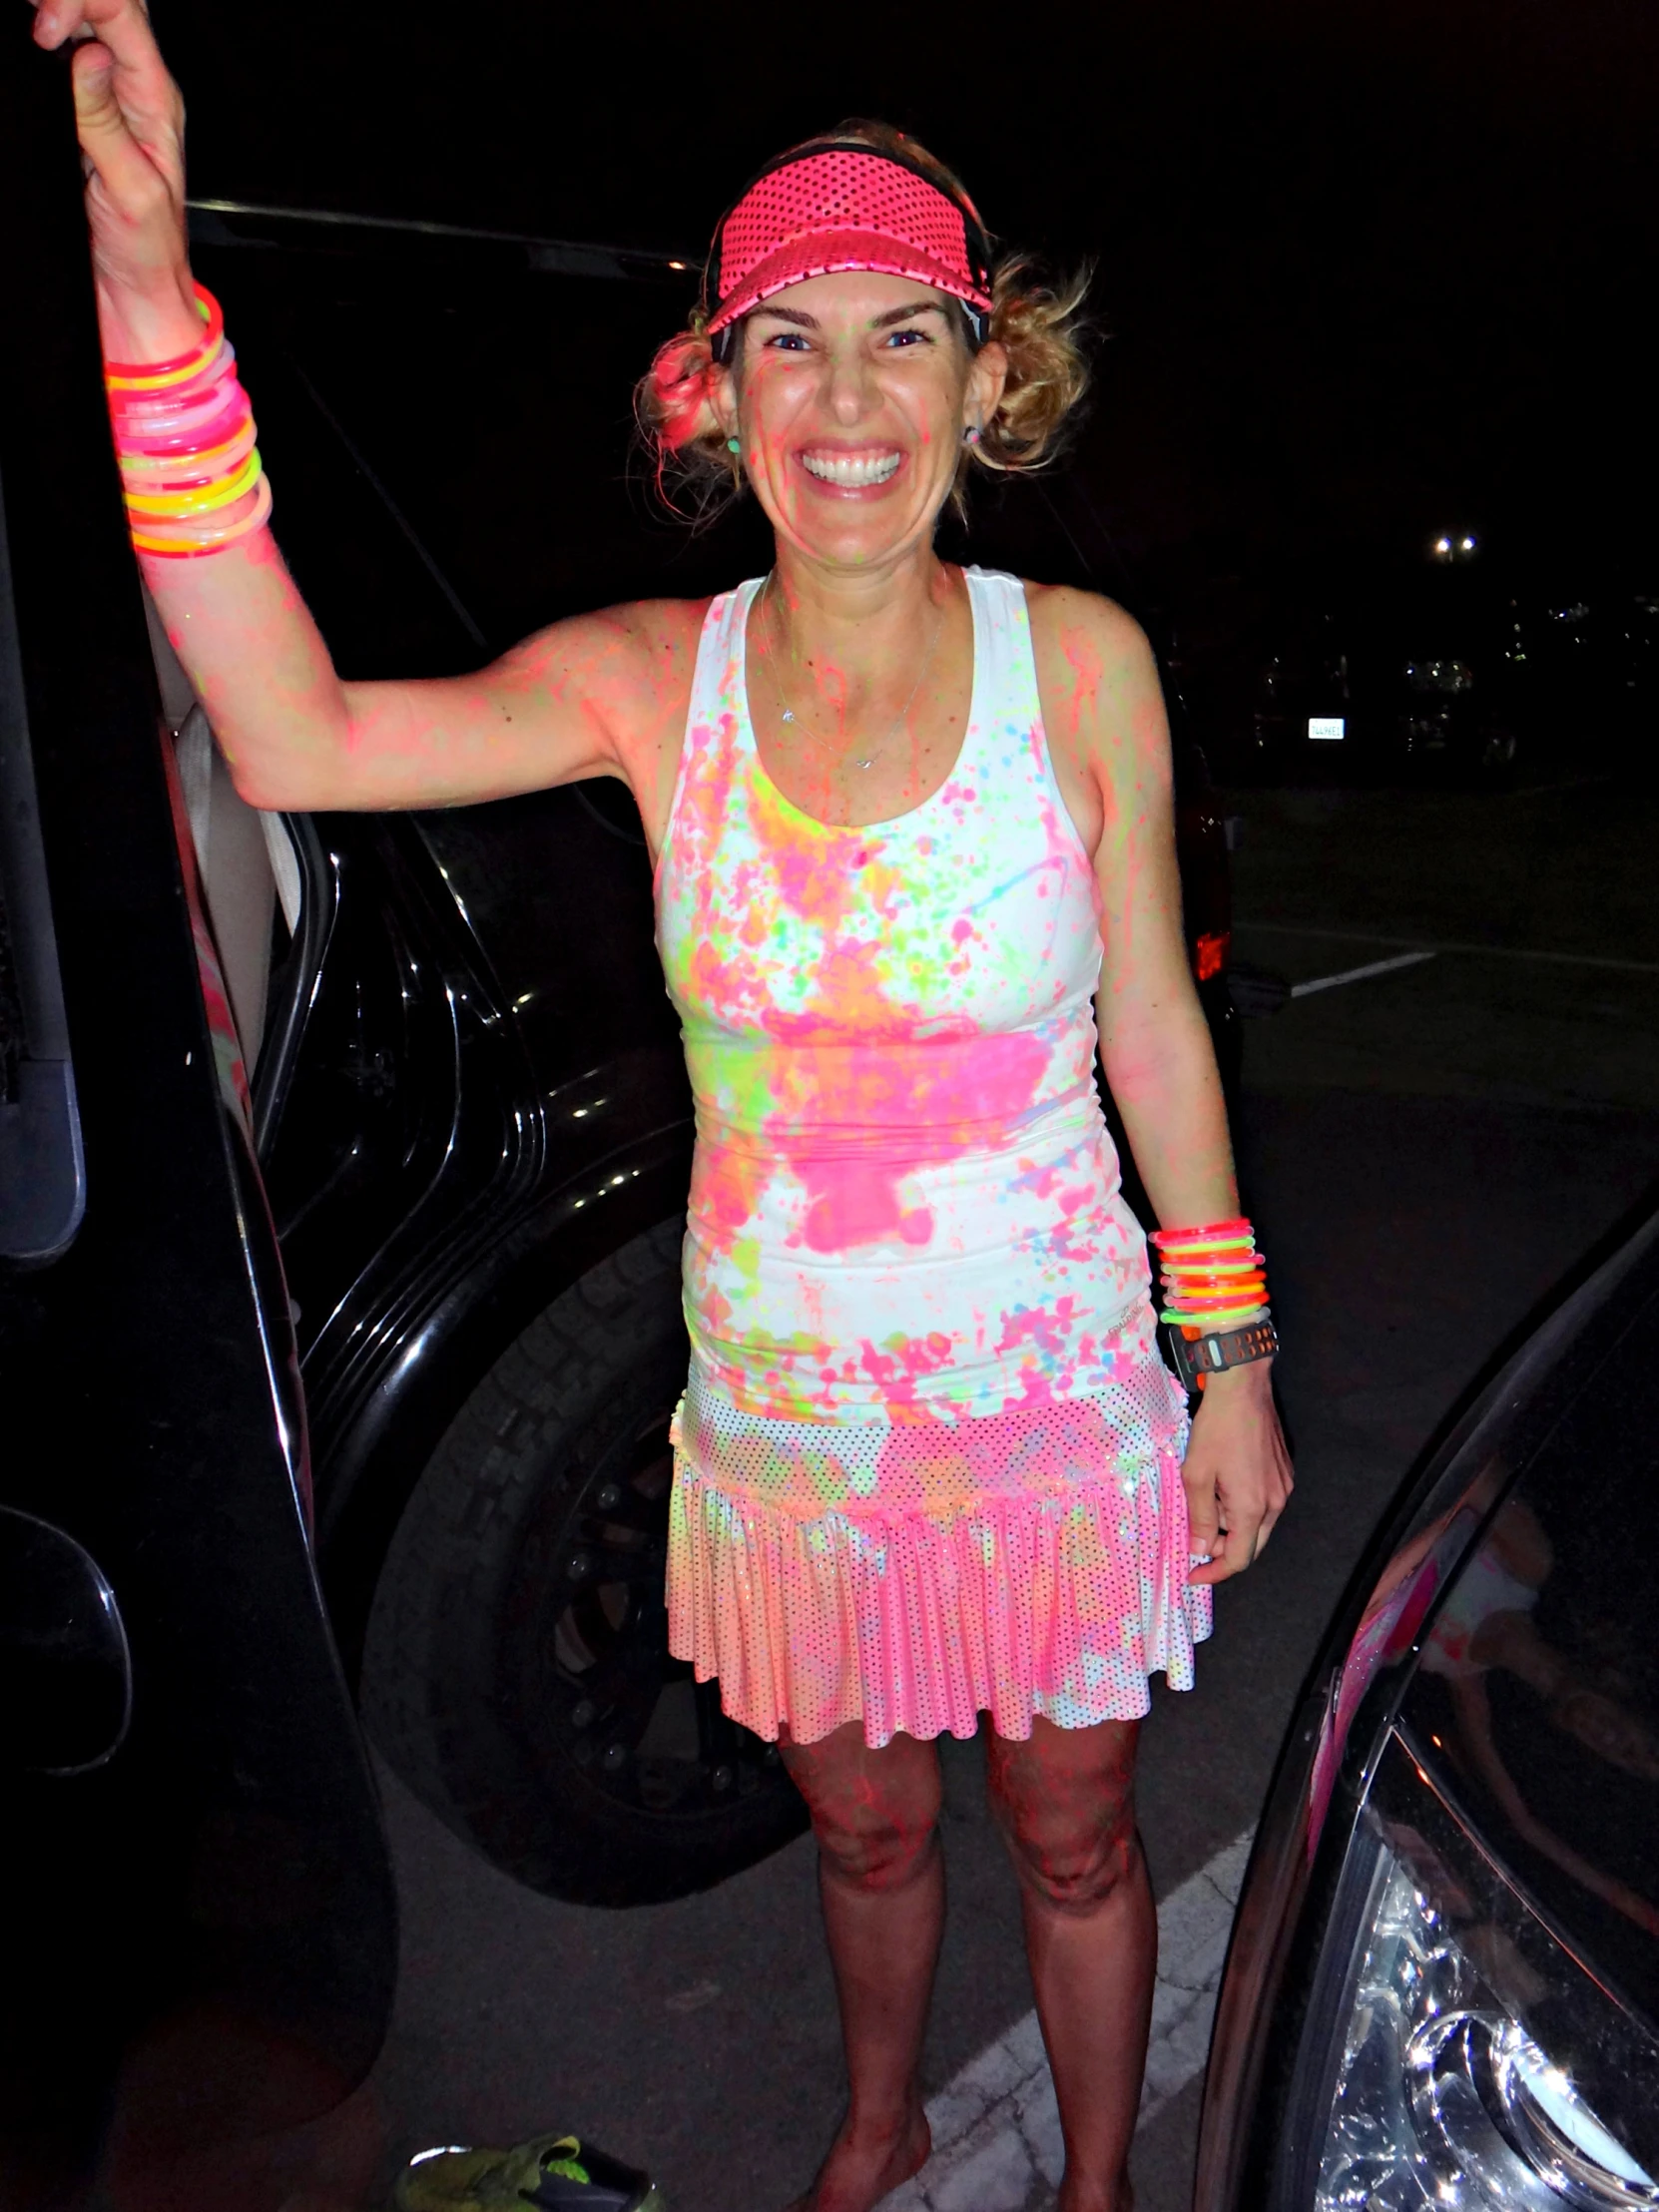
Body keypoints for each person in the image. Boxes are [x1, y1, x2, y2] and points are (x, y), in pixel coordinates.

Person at [35, 1, 1296, 2203]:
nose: (847, 396)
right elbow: (293, 732)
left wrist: (1233, 1363)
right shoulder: (650, 681)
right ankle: (880, 2116)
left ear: (984, 382)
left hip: (1056, 1415)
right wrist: (151, 295)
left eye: (902, 336)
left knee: (1077, 1838)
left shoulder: (1079, 664)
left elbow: (1153, 1038)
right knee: (871, 1822)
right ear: (715, 394)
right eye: (788, 341)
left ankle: (1100, 2184)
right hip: (786, 1424)